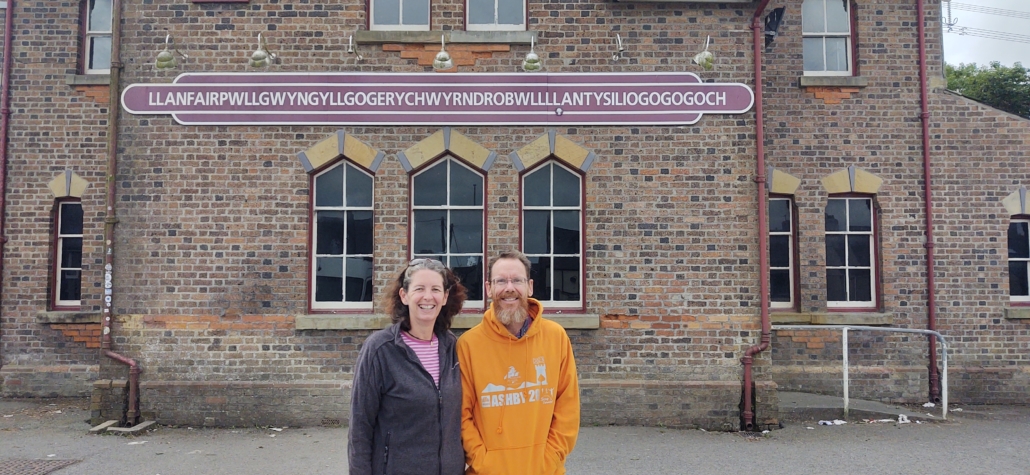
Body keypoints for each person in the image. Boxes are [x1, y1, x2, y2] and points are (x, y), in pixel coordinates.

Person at [457, 250, 580, 475]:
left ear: (530, 286)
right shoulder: (468, 345)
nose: (509, 288)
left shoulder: (556, 337)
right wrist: (484, 462)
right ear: (489, 288)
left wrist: (550, 458)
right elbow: (462, 416)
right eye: (501, 281)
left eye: (517, 280)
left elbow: (567, 408)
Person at [348, 258, 468, 475]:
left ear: (445, 297)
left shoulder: (454, 348)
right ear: (404, 295)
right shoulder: (380, 349)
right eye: (419, 289)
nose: (427, 296)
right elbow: (360, 428)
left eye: (435, 289)